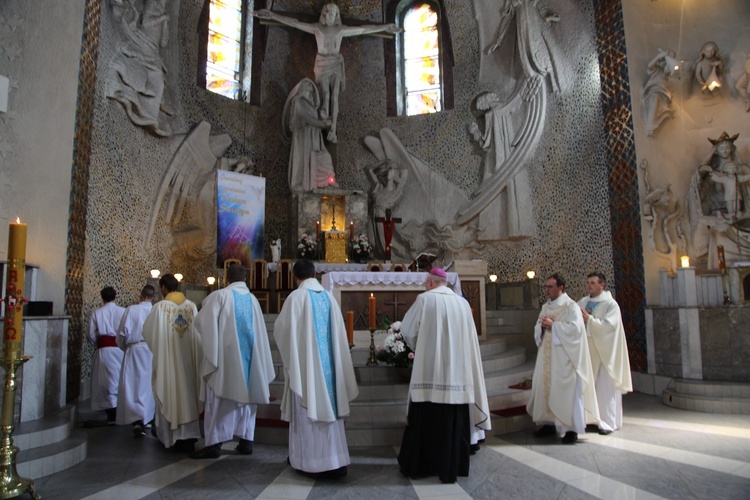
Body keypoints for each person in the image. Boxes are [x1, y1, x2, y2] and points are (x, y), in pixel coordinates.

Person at [255, 3, 400, 143]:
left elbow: (363, 29)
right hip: (323, 62)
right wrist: (272, 15)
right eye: (328, 12)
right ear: (324, 14)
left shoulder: (340, 30)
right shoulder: (317, 28)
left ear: (336, 15)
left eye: (334, 13)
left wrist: (385, 27)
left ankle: (333, 129)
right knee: (326, 93)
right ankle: (324, 112)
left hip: (336, 62)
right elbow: (295, 23)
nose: (330, 15)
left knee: (335, 95)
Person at [397, 268, 491, 484]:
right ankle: (452, 466)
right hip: (458, 373)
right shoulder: (463, 303)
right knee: (453, 416)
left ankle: (422, 465)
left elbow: (408, 331)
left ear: (430, 282)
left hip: (429, 372)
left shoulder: (424, 300)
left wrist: (421, 349)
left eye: (425, 283)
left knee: (425, 415)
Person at [273, 259, 358, 478]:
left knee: (308, 413)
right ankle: (336, 460)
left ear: (295, 276)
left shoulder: (296, 297)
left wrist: (292, 359)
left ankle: (312, 463)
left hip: (307, 371)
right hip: (330, 371)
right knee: (330, 414)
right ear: (315, 274)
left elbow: (281, 331)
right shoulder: (329, 298)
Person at [191, 265, 276, 459]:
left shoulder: (220, 296)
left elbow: (201, 323)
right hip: (251, 361)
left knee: (219, 399)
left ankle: (214, 444)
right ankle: (246, 440)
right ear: (244, 279)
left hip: (225, 360)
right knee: (248, 398)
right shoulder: (253, 300)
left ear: (226, 278)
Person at [526, 273, 599, 444]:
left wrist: (554, 326)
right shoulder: (545, 307)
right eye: (546, 287)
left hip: (565, 360)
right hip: (546, 357)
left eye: (550, 287)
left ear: (561, 287)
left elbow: (576, 330)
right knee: (546, 388)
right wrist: (542, 326)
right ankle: (549, 423)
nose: (547, 290)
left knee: (567, 392)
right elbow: (538, 326)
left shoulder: (570, 306)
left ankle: (571, 429)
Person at [142, 274, 203, 453]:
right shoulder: (191, 307)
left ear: (163, 288)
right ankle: (189, 436)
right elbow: (198, 336)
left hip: (169, 362)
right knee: (188, 394)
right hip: (188, 363)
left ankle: (171, 437)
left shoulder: (160, 308)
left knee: (169, 392)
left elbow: (148, 333)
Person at [578, 273, 632, 435]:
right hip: (588, 351)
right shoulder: (582, 302)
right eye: (588, 282)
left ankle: (608, 422)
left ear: (602, 285)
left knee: (605, 388)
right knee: (590, 387)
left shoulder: (611, 305)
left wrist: (590, 321)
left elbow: (610, 326)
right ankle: (591, 419)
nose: (589, 286)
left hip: (606, 352)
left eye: (593, 283)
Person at [116, 284, 156, 437]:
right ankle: (147, 418)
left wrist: (124, 347)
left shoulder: (131, 310)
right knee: (148, 385)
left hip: (133, 349)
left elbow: (122, 333)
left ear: (140, 295)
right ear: (153, 297)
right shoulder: (155, 310)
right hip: (151, 350)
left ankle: (137, 420)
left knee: (133, 385)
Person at [282, 78, 336, 192]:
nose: (309, 86)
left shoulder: (312, 106)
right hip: (303, 137)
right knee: (304, 158)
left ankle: (323, 182)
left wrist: (327, 122)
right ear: (301, 87)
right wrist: (323, 124)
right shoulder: (298, 101)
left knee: (325, 157)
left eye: (311, 85)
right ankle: (303, 183)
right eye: (306, 84)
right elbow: (308, 119)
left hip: (314, 138)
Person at [88, 286, 126, 424]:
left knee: (105, 382)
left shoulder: (97, 313)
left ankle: (111, 411)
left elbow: (90, 334)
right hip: (119, 350)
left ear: (102, 297)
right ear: (115, 296)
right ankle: (119, 409)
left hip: (104, 350)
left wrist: (97, 342)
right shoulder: (123, 311)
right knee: (119, 379)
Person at [642, 49, 676, 137]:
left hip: (663, 95)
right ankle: (650, 125)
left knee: (658, 105)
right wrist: (659, 56)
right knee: (654, 100)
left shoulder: (666, 75)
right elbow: (650, 66)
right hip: (654, 92)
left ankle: (651, 124)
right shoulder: (657, 70)